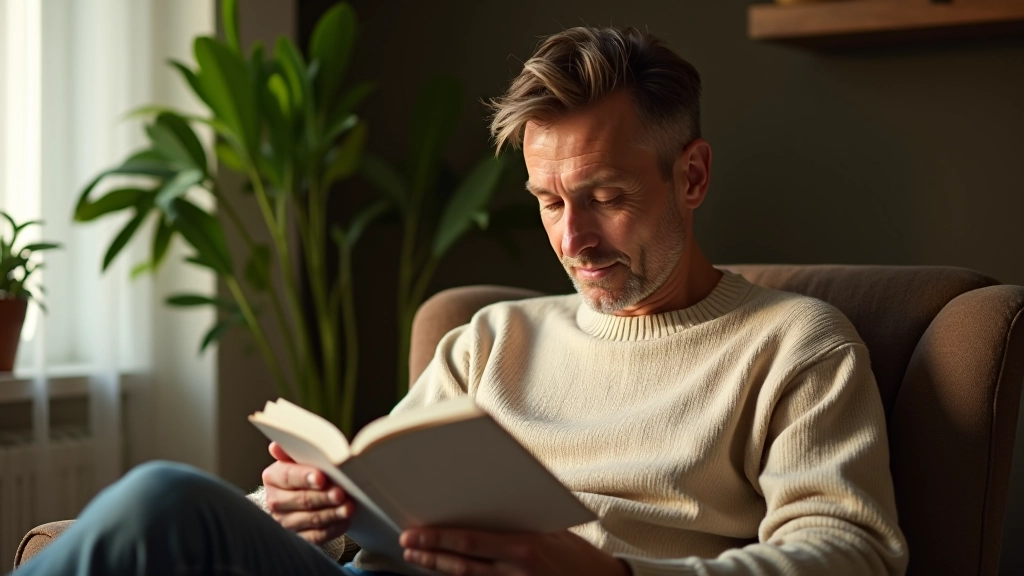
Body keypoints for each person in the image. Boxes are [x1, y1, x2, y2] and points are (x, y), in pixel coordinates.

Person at [11, 26, 908, 576]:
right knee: (167, 503)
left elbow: (851, 554)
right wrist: (301, 508)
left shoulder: (795, 346)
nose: (573, 239)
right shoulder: (494, 338)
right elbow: (381, 496)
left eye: (605, 196)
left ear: (693, 175)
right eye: (549, 202)